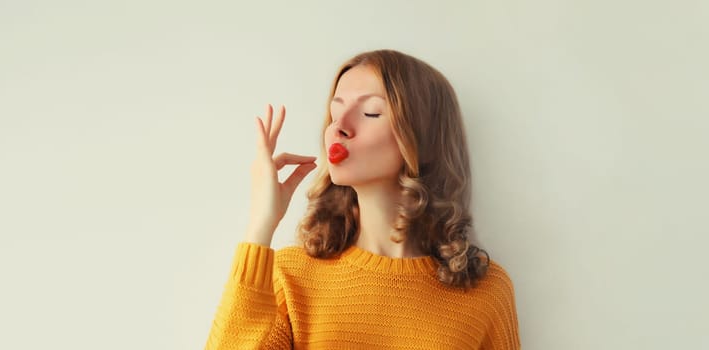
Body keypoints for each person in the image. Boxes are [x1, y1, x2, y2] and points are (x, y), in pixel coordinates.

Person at [205, 49, 520, 349]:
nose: (339, 128)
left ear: (424, 141)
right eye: (335, 112)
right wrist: (260, 226)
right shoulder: (292, 276)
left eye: (370, 112)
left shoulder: (486, 290)